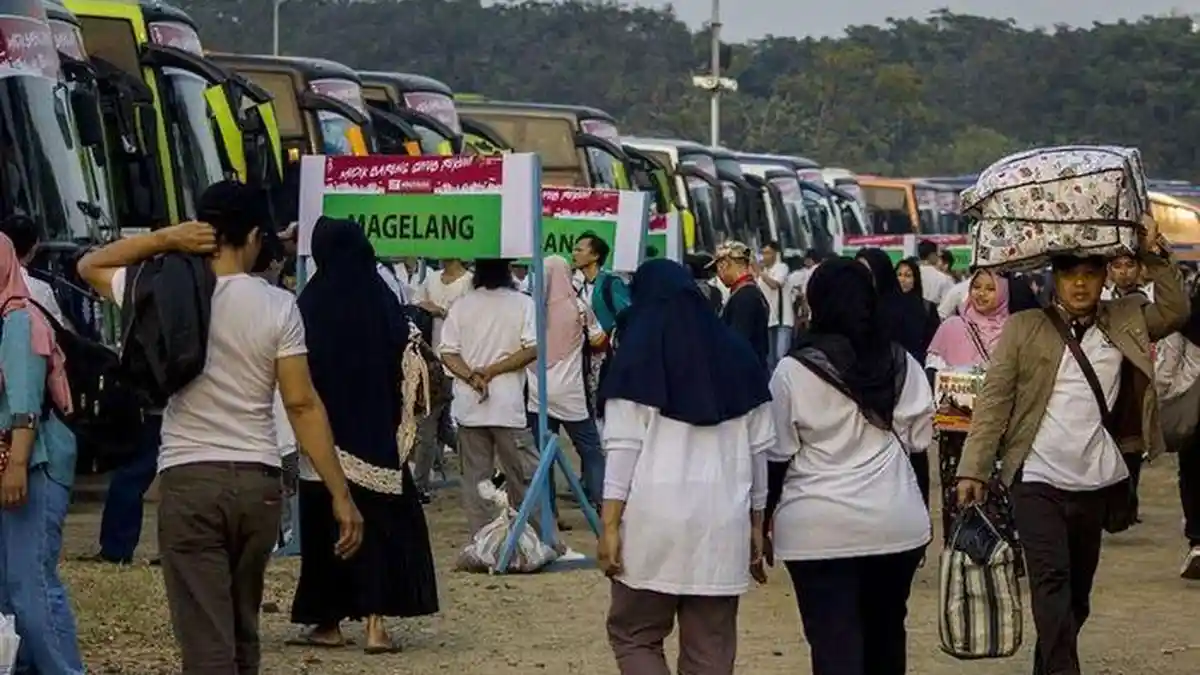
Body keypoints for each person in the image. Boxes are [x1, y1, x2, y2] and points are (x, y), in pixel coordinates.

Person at [77, 181, 364, 675]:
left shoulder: (159, 293)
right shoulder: (278, 306)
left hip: (190, 480)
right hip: (258, 484)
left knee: (206, 637)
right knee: (240, 628)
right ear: (255, 236)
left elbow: (89, 266)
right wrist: (340, 494)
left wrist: (167, 239)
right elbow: (300, 404)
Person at [955, 217, 1187, 675]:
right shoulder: (1024, 328)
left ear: (1104, 278)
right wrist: (973, 469)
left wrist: (1152, 254)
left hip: (1096, 480)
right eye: (1069, 275)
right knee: (1051, 581)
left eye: (1089, 274)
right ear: (1054, 279)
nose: (1079, 284)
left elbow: (1177, 310)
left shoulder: (1125, 320)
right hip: (1036, 478)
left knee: (1076, 597)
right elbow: (994, 401)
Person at [597, 258, 774, 675]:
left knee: (635, 633)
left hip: (650, 523)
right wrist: (756, 525)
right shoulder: (741, 360)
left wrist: (608, 529)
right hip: (721, 524)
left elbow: (622, 455)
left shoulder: (636, 360)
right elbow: (759, 459)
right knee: (710, 648)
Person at [765, 257, 932, 675]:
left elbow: (778, 456)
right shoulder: (902, 363)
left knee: (833, 643)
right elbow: (917, 447)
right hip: (896, 523)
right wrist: (924, 517)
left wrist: (762, 521)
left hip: (817, 528)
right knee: (887, 637)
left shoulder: (792, 371)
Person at [289, 218, 438, 653]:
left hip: (323, 440)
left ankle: (329, 623)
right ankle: (375, 627)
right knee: (379, 528)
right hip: (375, 436)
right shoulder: (380, 297)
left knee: (325, 532)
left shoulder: (310, 302)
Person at [0, 232, 84, 674]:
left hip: (32, 464)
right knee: (10, 592)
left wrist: (15, 465)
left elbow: (25, 405)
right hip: (14, 465)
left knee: (30, 586)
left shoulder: (19, 320)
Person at [439, 258, 550, 539]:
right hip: (507, 406)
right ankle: (533, 538)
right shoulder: (522, 304)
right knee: (523, 476)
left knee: (477, 480)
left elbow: (448, 352)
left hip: (469, 405)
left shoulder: (462, 305)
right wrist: (493, 371)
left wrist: (472, 377)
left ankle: (483, 542)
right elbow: (532, 349)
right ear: (508, 272)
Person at [926, 270, 1015, 543]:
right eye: (977, 287)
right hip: (957, 434)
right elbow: (934, 368)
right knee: (959, 498)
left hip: (999, 432)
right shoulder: (952, 327)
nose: (981, 294)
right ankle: (960, 559)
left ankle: (999, 560)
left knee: (997, 497)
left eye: (990, 289)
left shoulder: (1013, 330)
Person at [527, 256, 607, 508]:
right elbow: (598, 339)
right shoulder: (579, 307)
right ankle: (601, 503)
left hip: (536, 391)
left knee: (542, 455)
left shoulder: (530, 308)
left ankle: (549, 511)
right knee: (590, 449)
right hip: (569, 391)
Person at [856, 248, 939, 365]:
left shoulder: (921, 307)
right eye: (899, 275)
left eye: (908, 275)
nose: (902, 279)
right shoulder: (862, 305)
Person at [712, 241, 769, 369]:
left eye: (718, 267)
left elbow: (738, 344)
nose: (718, 274)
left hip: (746, 374)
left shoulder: (744, 296)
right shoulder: (751, 291)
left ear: (724, 265)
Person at [572, 232, 631, 334]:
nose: (574, 254)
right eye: (574, 250)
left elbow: (627, 318)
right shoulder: (575, 284)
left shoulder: (611, 284)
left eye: (579, 250)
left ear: (595, 255)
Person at [757, 241, 795, 368]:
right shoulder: (763, 271)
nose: (764, 256)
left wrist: (760, 272)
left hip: (783, 319)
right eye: (763, 253)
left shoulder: (782, 267)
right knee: (769, 359)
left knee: (781, 356)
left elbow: (774, 285)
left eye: (768, 253)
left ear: (775, 254)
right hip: (768, 319)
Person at [916, 239, 954, 305]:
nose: (938, 257)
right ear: (932, 255)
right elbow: (949, 303)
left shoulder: (911, 275)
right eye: (937, 254)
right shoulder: (944, 278)